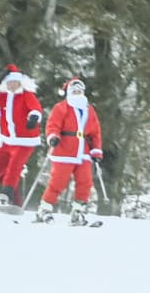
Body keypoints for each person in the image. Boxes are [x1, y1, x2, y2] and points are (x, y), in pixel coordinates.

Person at [36, 78, 104, 225]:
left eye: (80, 91)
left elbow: (95, 132)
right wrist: (53, 137)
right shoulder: (61, 107)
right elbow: (53, 125)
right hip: (64, 150)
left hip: (84, 151)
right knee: (58, 182)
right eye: (74, 91)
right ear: (69, 92)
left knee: (85, 181)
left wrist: (96, 150)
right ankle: (45, 209)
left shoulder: (89, 110)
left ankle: (78, 211)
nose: (77, 93)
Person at [0, 65, 44, 205]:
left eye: (15, 83)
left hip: (25, 141)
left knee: (14, 167)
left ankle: (6, 194)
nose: (12, 85)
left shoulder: (26, 95)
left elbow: (36, 108)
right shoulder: (3, 97)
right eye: (9, 83)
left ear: (20, 83)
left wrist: (33, 117)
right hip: (7, 140)